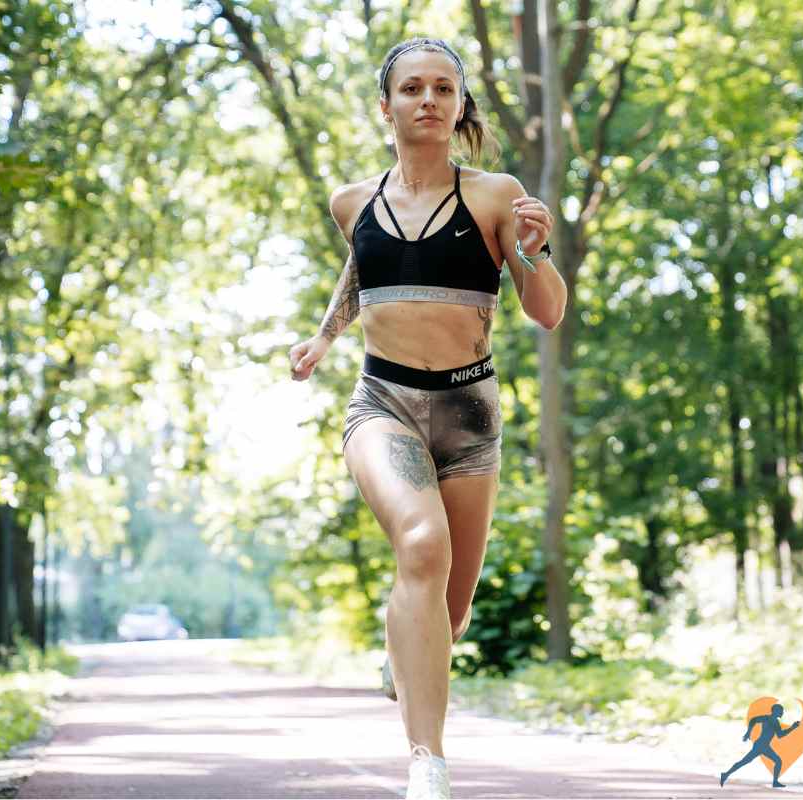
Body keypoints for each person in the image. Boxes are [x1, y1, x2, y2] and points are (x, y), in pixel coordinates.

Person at [288, 36, 567, 800]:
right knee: (420, 543)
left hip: (470, 414)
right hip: (383, 405)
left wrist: (536, 253)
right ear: (387, 107)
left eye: (445, 89)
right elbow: (364, 267)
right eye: (413, 89)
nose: (429, 101)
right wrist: (324, 337)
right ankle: (428, 764)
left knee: (453, 605)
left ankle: (403, 660)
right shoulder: (353, 201)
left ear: (459, 105)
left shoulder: (493, 196)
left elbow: (546, 313)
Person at [720, 703, 800, 788]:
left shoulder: (776, 722)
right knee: (745, 761)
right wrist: (748, 732)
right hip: (760, 745)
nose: (782, 713)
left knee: (777, 761)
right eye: (781, 711)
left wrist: (792, 728)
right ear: (775, 711)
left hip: (765, 746)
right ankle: (725, 774)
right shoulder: (766, 718)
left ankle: (775, 782)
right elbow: (753, 720)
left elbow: (780, 735)